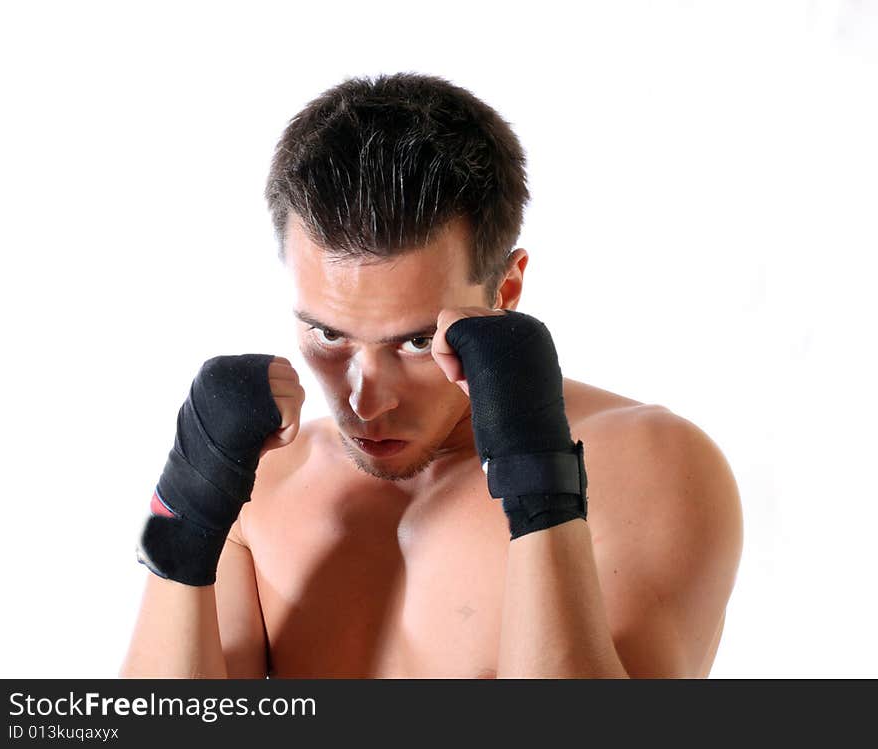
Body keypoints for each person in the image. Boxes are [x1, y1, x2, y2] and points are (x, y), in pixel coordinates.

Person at [120, 72, 743, 679]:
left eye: (417, 341)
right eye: (328, 334)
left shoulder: (648, 464)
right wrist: (183, 515)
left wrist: (539, 485)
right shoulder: (260, 487)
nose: (367, 401)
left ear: (506, 290)